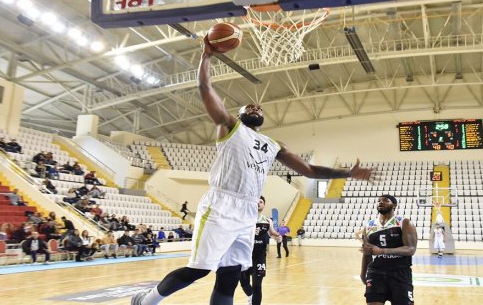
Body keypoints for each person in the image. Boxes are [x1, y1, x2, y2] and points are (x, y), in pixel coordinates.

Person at [130, 35, 372, 305]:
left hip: (247, 211)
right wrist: (206, 57)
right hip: (221, 204)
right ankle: (147, 300)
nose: (256, 107)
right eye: (249, 107)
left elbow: (309, 169)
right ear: (241, 114)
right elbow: (205, 88)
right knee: (199, 269)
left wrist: (348, 174)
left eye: (259, 107)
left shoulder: (272, 144)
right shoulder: (230, 126)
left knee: (230, 275)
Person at [360, 194, 417, 305]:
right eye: (379, 201)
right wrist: (363, 274)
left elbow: (411, 249)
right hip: (376, 273)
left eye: (386, 200)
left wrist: (383, 251)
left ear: (394, 205)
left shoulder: (404, 223)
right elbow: (367, 253)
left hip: (400, 273)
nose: (381, 202)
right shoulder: (369, 226)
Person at [239, 196, 281, 305]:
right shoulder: (245, 219)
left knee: (257, 285)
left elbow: (272, 233)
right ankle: (250, 296)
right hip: (245, 256)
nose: (258, 204)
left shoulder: (268, 221)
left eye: (261, 202)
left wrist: (278, 237)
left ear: (264, 205)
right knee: (243, 283)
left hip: (260, 257)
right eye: (256, 202)